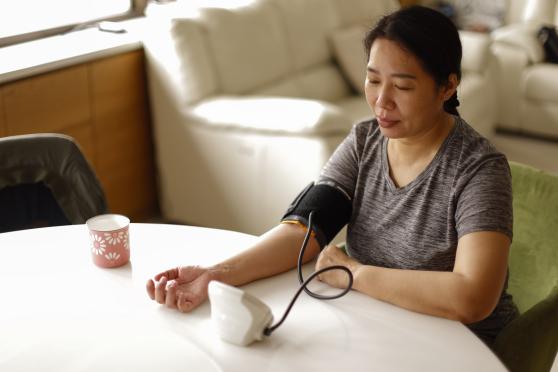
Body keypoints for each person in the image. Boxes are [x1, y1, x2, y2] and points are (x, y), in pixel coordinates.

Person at [146, 6, 518, 347]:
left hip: (464, 346)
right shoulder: (364, 140)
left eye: (403, 86)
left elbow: (472, 297)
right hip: (382, 325)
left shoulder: (478, 170)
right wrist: (216, 273)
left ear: (447, 86)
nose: (382, 101)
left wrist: (355, 274)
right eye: (373, 80)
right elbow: (305, 230)